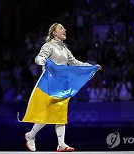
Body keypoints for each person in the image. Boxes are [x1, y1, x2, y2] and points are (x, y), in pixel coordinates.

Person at [23, 23, 102, 152]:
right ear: (54, 33)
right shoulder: (48, 46)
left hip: (63, 86)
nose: (64, 29)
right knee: (47, 114)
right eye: (61, 28)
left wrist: (90, 67)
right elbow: (40, 57)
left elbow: (75, 63)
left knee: (60, 113)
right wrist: (41, 60)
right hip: (49, 86)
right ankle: (31, 136)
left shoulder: (65, 49)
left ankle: (60, 144)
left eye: (64, 28)